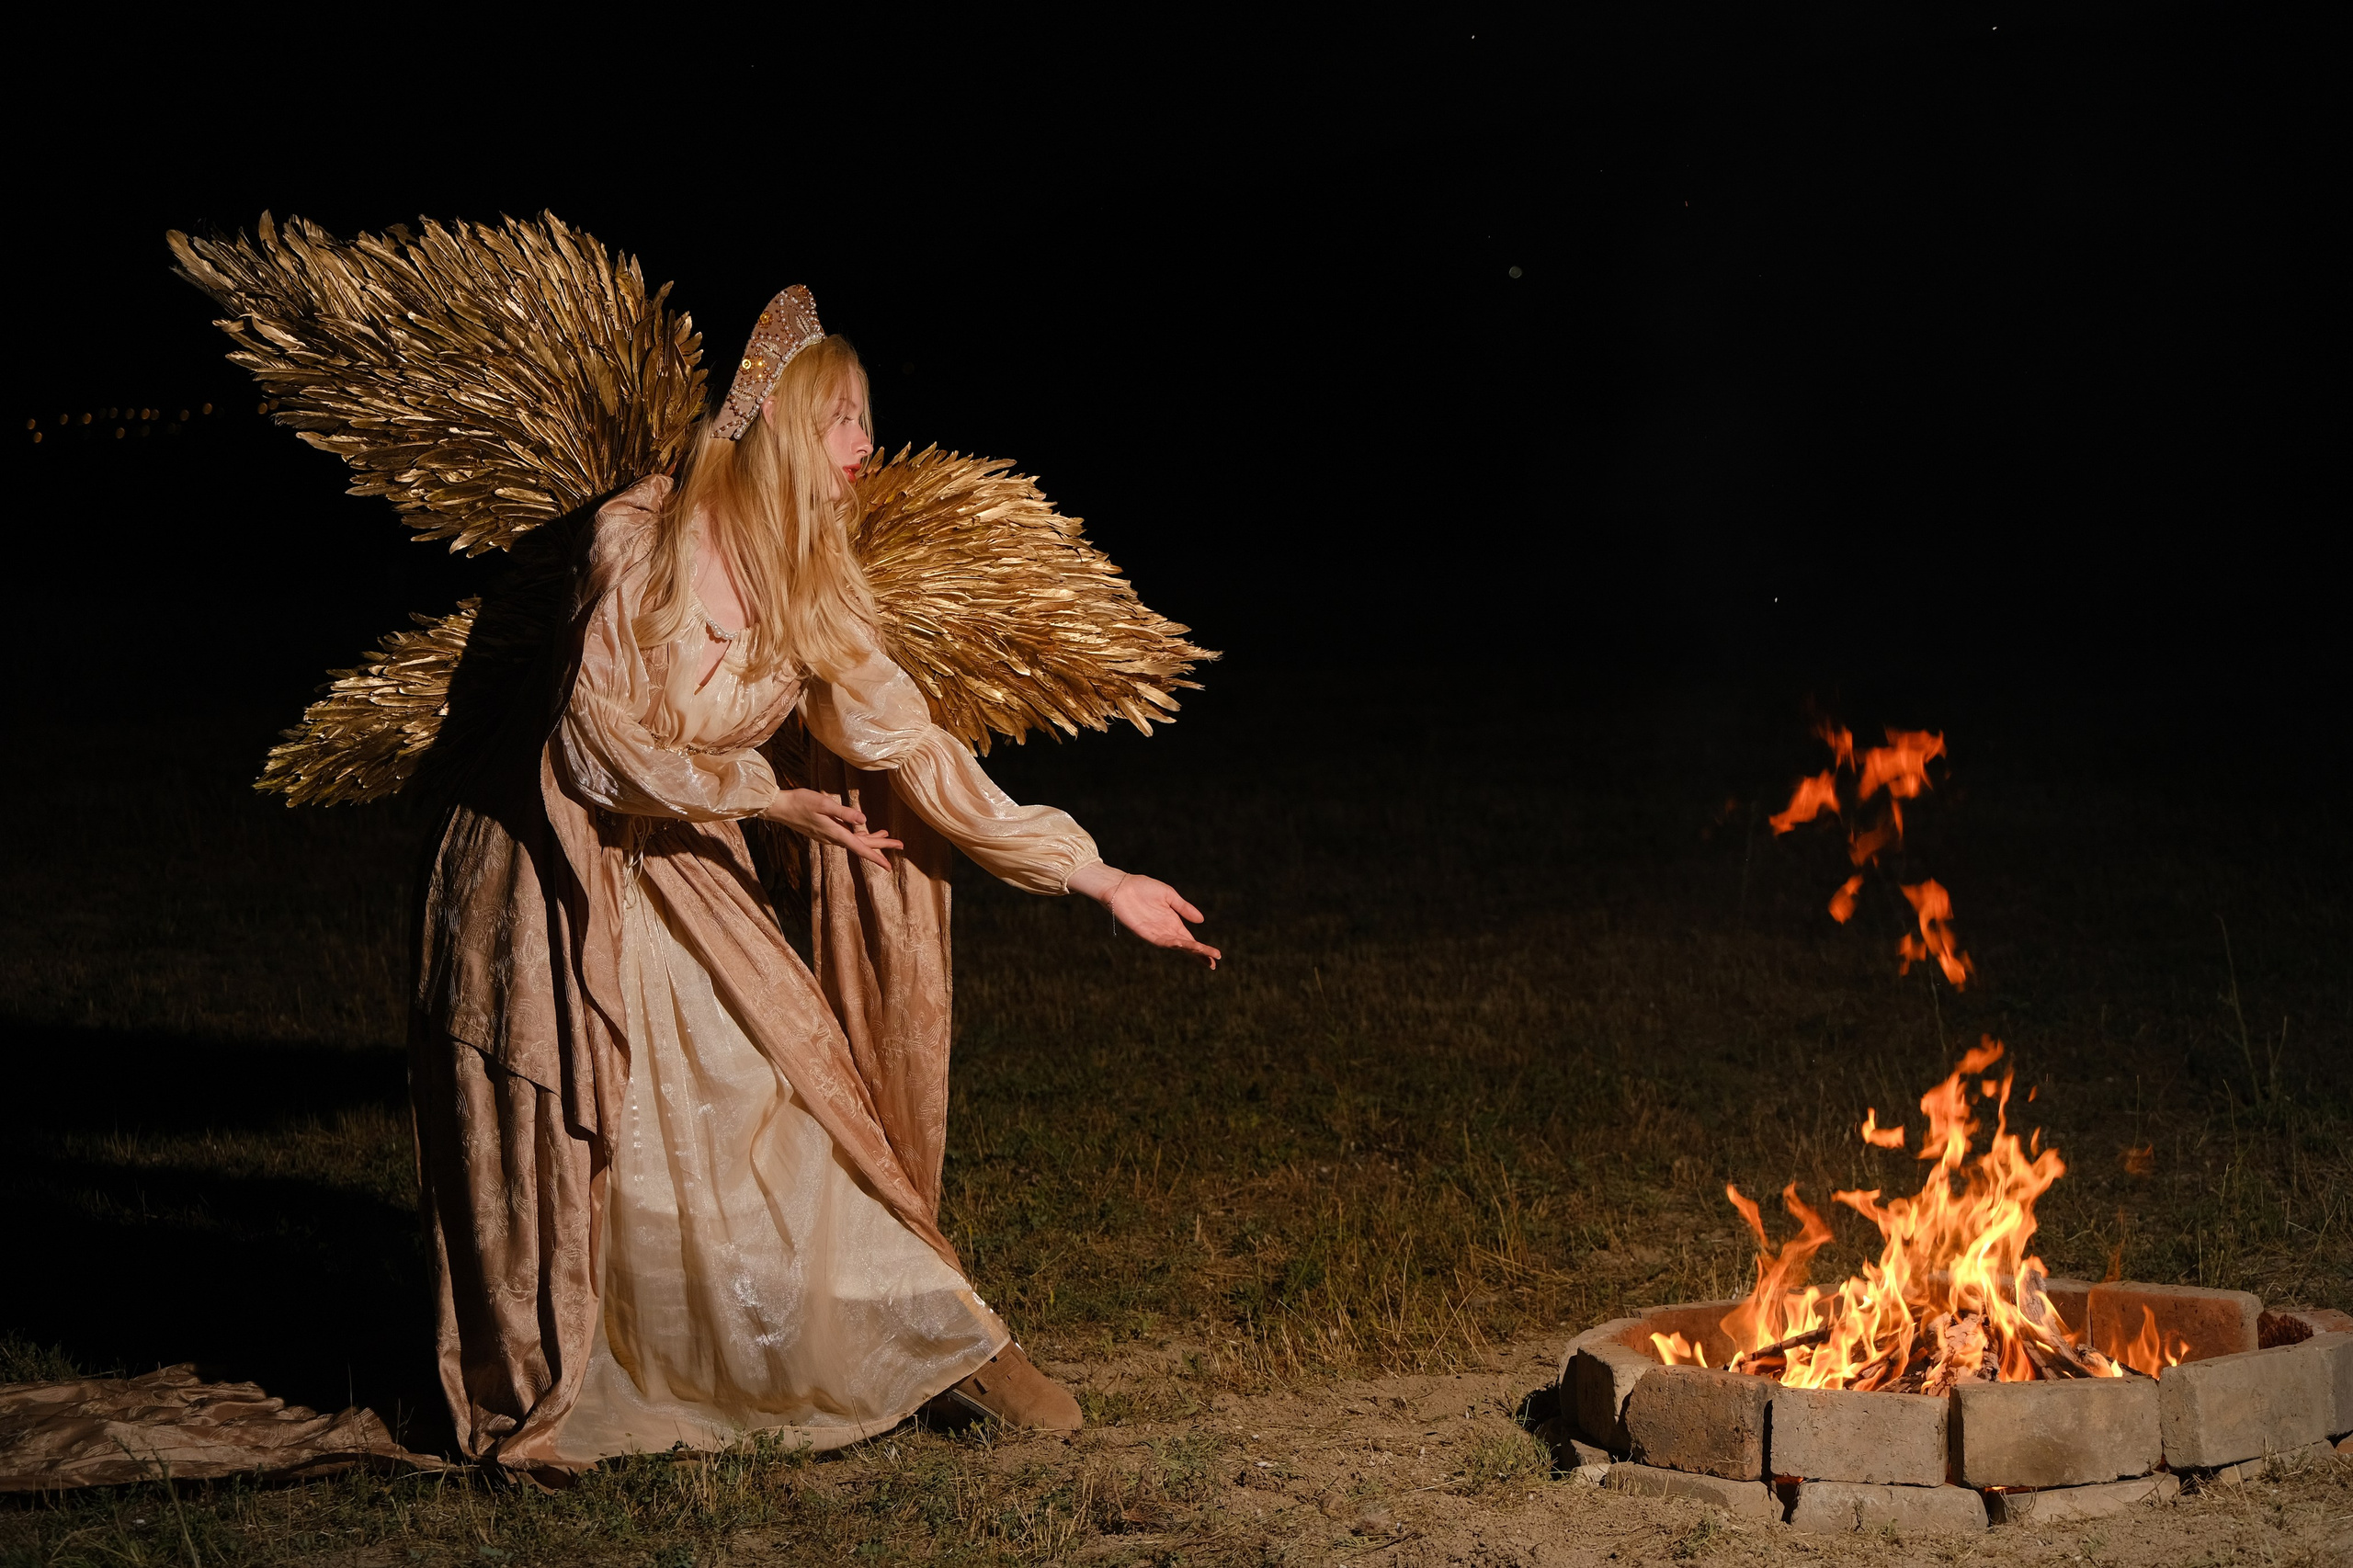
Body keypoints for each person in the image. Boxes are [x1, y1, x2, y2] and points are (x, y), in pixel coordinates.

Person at [410, 285, 1217, 1473]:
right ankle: (624, 1366)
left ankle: (931, 1339)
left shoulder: (817, 589)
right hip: (552, 869)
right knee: (621, 1133)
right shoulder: (641, 539)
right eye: (845, 418)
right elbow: (595, 742)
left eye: (867, 419)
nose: (865, 445)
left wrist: (1095, 876)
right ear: (784, 423)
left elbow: (923, 751)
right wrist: (765, 795)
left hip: (683, 865)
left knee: (793, 1101)